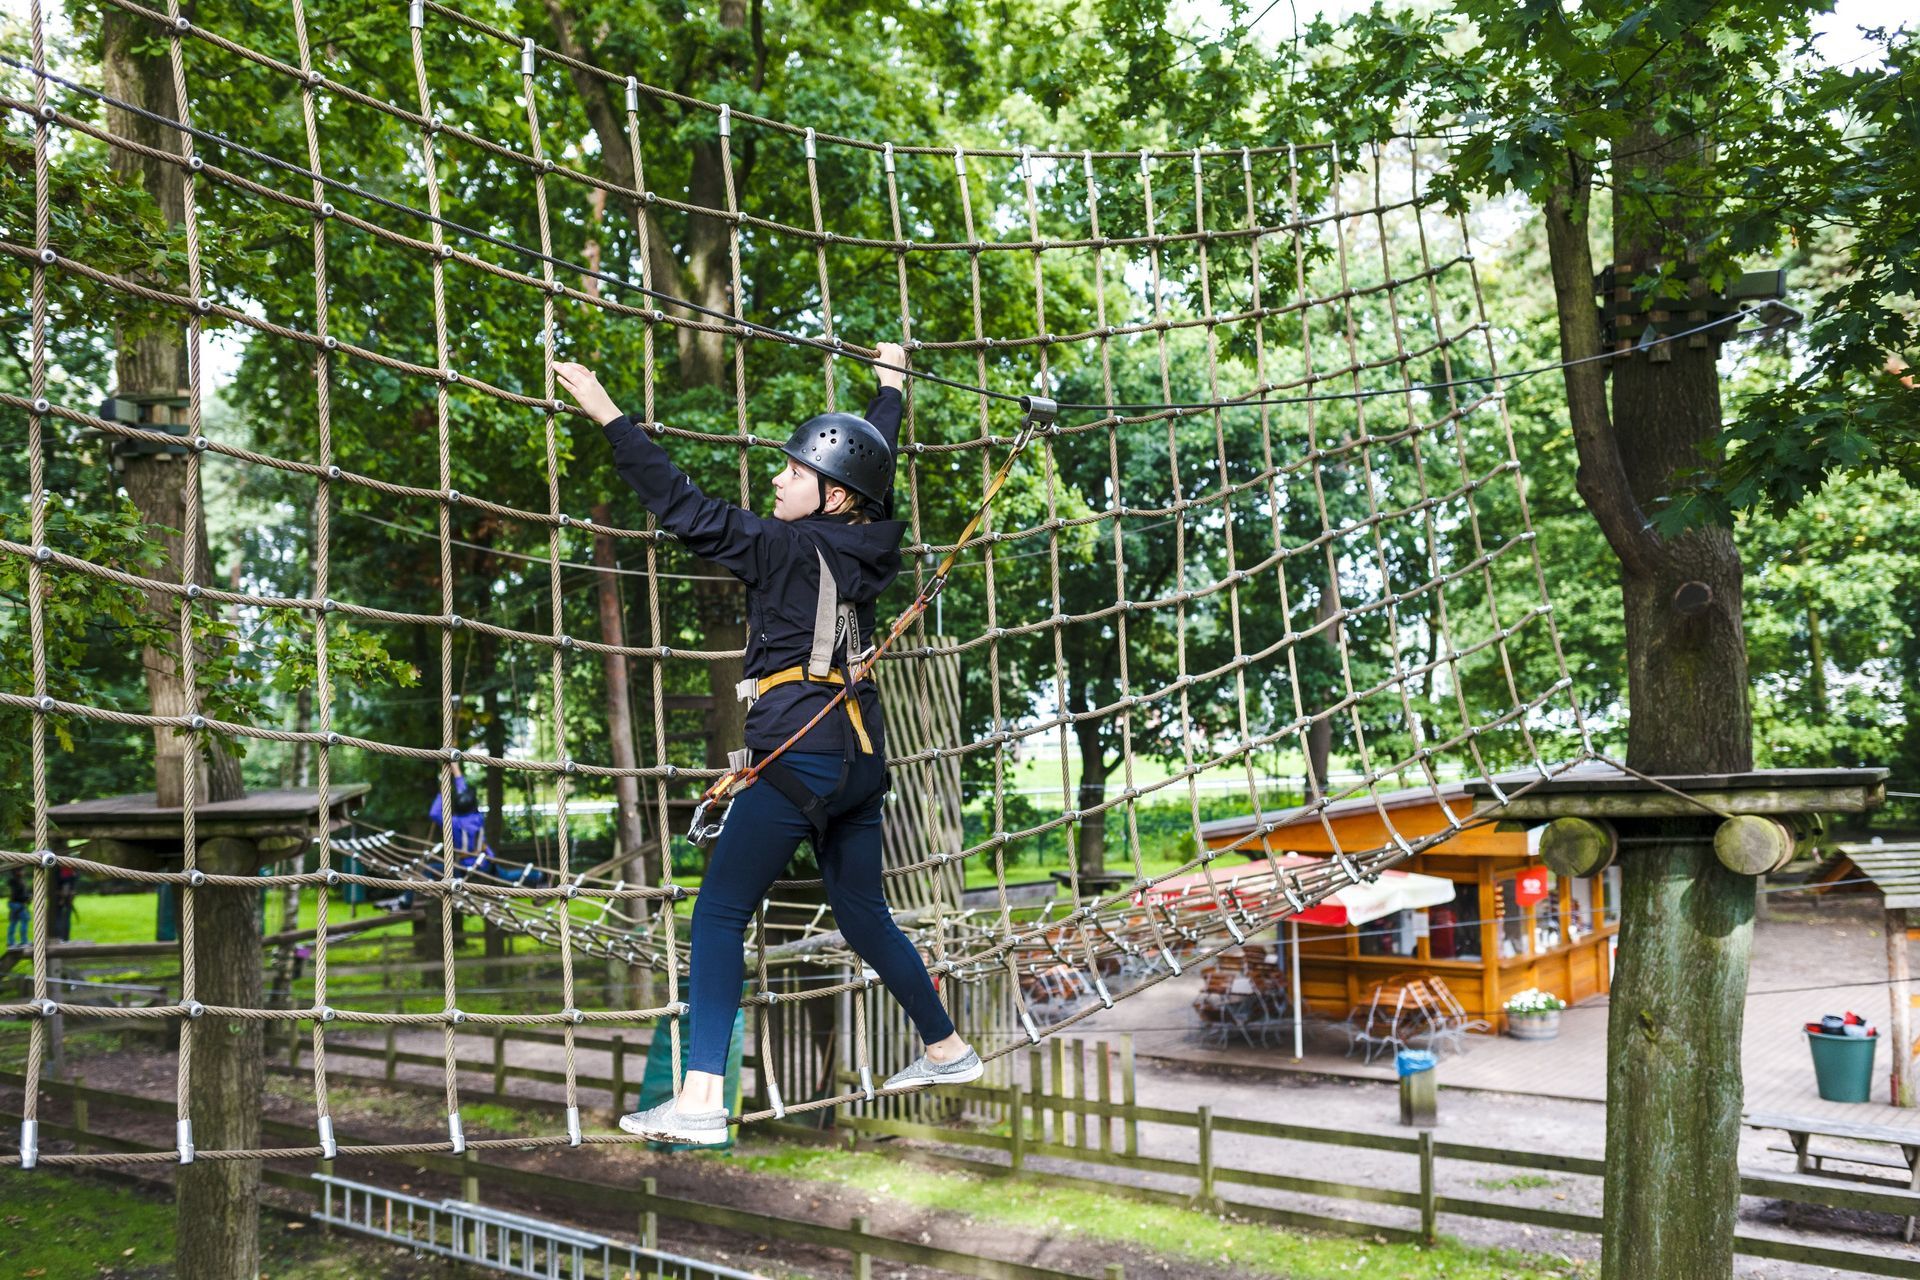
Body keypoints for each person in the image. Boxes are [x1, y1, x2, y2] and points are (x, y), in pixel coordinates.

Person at [556, 343, 978, 1147]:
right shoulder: (870, 545)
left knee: (717, 914)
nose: (776, 480)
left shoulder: (783, 548)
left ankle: (702, 1098)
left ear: (831, 494)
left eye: (791, 472)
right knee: (862, 914)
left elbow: (683, 507)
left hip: (800, 751)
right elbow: (872, 461)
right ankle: (947, 1045)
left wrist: (611, 416)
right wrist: (890, 389)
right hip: (859, 760)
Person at [6, 867, 29, 949]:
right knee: (24, 921)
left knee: (14, 922)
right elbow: (17, 895)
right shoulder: (16, 882)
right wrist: (26, 898)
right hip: (18, 904)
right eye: (22, 870)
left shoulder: (17, 881)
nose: (24, 872)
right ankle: (23, 941)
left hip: (15, 904)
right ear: (17, 872)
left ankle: (11, 942)